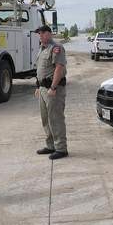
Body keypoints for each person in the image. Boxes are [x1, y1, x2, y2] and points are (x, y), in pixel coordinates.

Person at [34, 25, 68, 160]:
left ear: (50, 34)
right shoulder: (42, 49)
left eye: (43, 33)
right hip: (43, 89)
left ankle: (61, 148)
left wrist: (53, 88)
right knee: (45, 119)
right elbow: (41, 70)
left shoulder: (56, 48)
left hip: (53, 89)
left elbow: (59, 68)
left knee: (55, 118)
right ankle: (50, 145)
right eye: (39, 33)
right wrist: (38, 87)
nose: (40, 35)